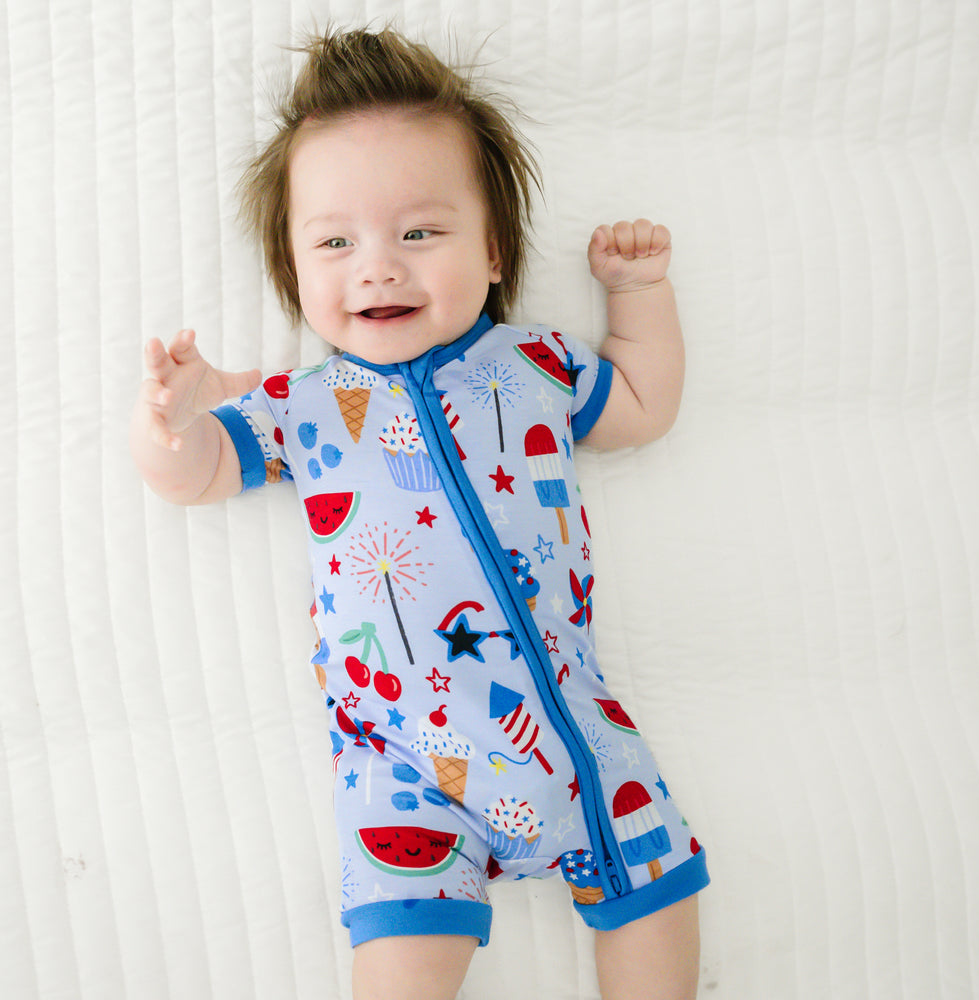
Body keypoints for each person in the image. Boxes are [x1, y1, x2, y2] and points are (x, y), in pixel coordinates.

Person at [131, 26, 708, 1000]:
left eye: (418, 232)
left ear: (491, 250)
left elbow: (643, 406)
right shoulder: (298, 404)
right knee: (397, 965)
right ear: (296, 268)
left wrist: (638, 295)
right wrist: (171, 421)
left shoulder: (538, 369)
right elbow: (191, 475)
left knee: (660, 896)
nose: (378, 267)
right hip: (405, 770)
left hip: (578, 736)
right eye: (334, 242)